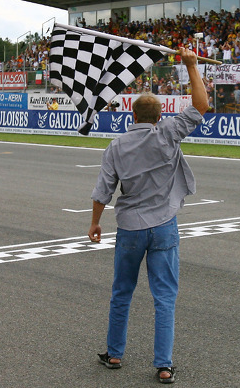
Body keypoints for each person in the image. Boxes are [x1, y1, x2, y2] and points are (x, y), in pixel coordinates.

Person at [89, 47, 208, 384]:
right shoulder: (168, 133)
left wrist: (95, 222)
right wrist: (191, 66)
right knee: (165, 297)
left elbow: (103, 190)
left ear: (132, 116)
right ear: (159, 117)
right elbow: (201, 105)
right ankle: (164, 365)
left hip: (129, 228)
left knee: (121, 292)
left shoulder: (116, 145)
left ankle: (114, 354)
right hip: (163, 226)